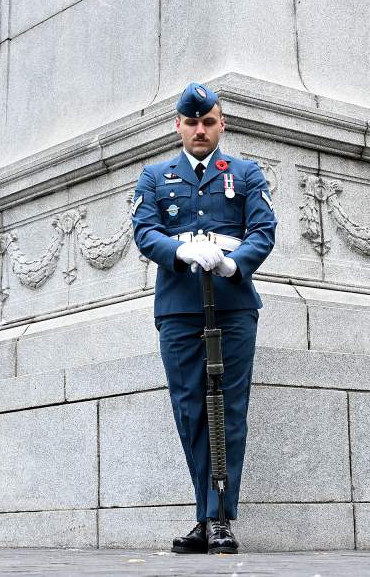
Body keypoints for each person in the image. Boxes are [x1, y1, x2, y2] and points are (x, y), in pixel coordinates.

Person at [132, 83, 277, 555]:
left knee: (228, 412)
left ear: (221, 124)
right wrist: (180, 249)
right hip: (179, 309)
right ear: (178, 125)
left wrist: (236, 263)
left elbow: (264, 229)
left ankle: (218, 519)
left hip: (233, 306)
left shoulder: (246, 173)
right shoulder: (155, 177)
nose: (200, 130)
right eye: (191, 122)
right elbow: (144, 231)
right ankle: (208, 514)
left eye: (208, 121)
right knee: (192, 411)